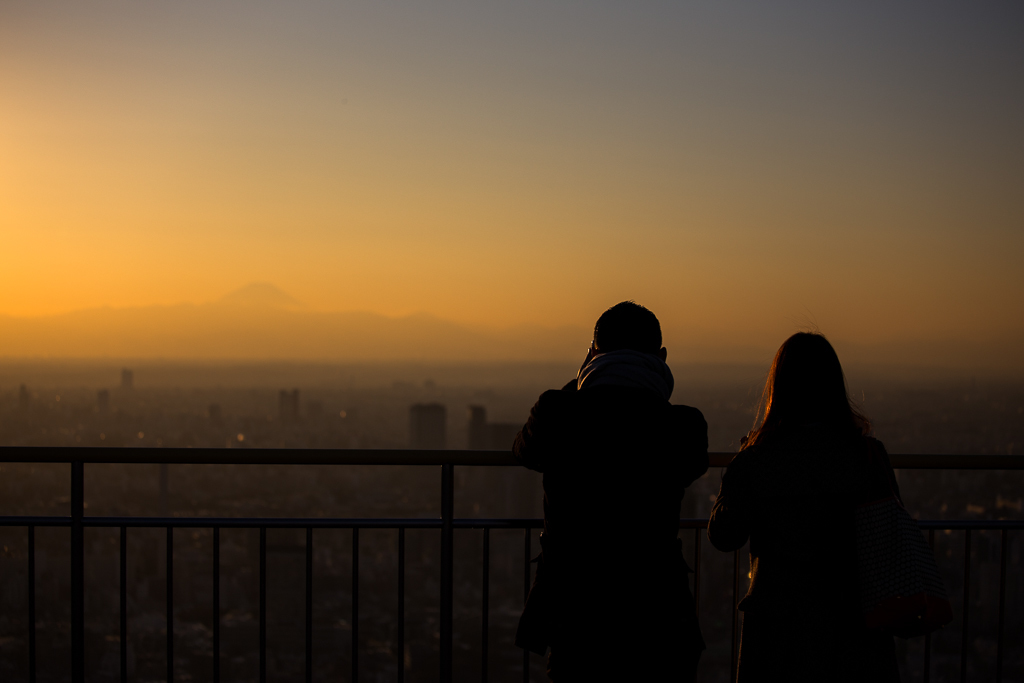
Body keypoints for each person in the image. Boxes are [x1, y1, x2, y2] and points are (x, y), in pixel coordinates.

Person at [513, 301, 709, 682]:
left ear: (592, 354)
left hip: (576, 606)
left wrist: (581, 382)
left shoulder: (558, 411)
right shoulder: (682, 425)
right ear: (662, 357)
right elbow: (693, 466)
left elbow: (525, 450)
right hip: (656, 604)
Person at [707, 332, 901, 682]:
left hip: (778, 630)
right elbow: (890, 533)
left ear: (780, 388)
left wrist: (739, 468)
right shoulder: (868, 456)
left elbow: (724, 534)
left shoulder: (760, 460)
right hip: (856, 626)